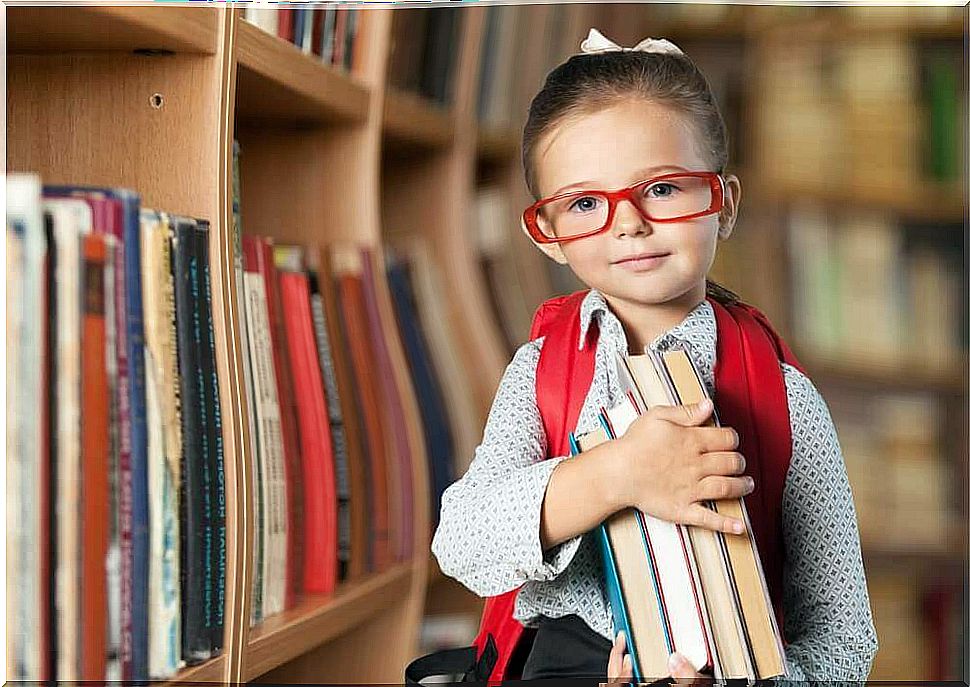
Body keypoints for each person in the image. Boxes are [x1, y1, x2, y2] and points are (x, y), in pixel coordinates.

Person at [430, 27, 878, 682]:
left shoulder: (785, 399)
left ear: (721, 203)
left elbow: (843, 635)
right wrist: (617, 473)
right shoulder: (541, 371)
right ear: (548, 234)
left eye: (662, 188)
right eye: (585, 202)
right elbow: (461, 541)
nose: (627, 223)